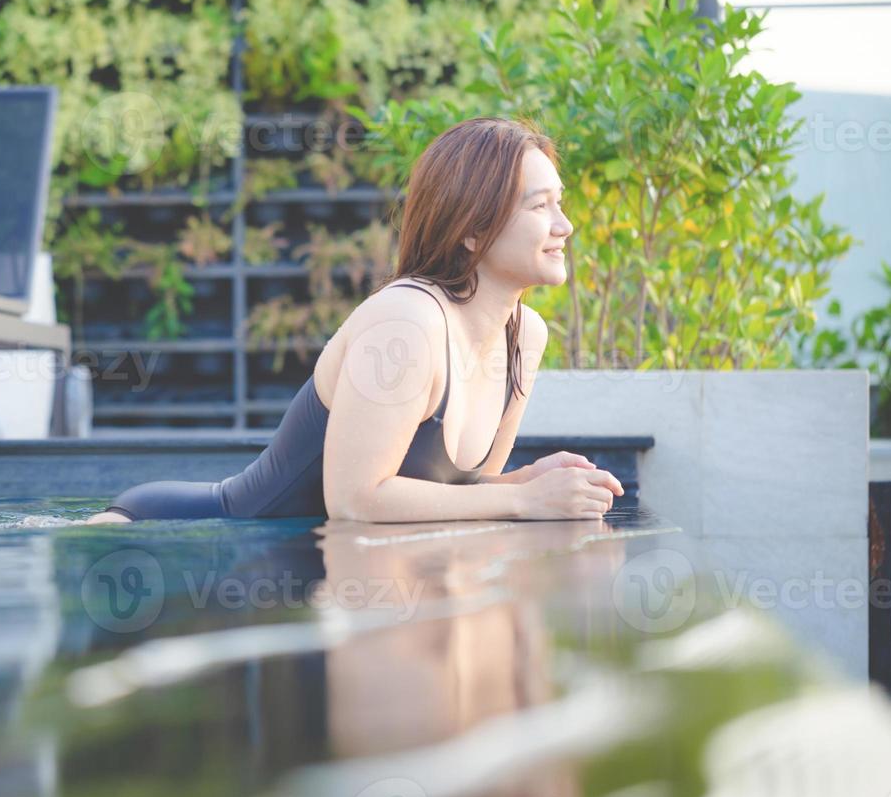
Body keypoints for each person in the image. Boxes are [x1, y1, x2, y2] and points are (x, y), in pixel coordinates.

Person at [86, 116, 624, 524]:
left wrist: (529, 481)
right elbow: (355, 499)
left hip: (307, 573)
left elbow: (461, 493)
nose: (566, 225)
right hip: (185, 539)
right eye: (540, 207)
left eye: (560, 203)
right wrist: (524, 500)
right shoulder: (406, 321)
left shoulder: (524, 335)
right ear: (473, 230)